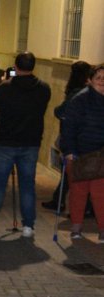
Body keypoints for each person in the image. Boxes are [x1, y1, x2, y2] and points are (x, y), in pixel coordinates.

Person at [0, 52, 51, 237]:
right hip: (30, 143)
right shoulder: (44, 89)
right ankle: (28, 226)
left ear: (16, 67)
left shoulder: (5, 88)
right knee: (27, 185)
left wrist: (0, 88)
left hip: (6, 143)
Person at [60, 64, 104, 242]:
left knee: (100, 195)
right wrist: (69, 150)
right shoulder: (80, 100)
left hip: (101, 155)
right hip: (80, 154)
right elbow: (69, 127)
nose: (102, 82)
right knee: (78, 193)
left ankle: (102, 230)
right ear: (90, 80)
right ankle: (76, 228)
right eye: (98, 78)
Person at [42, 60, 91, 211]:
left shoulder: (77, 93)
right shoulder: (86, 93)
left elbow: (61, 111)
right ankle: (63, 201)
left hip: (76, 139)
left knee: (73, 173)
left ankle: (70, 204)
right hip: (82, 138)